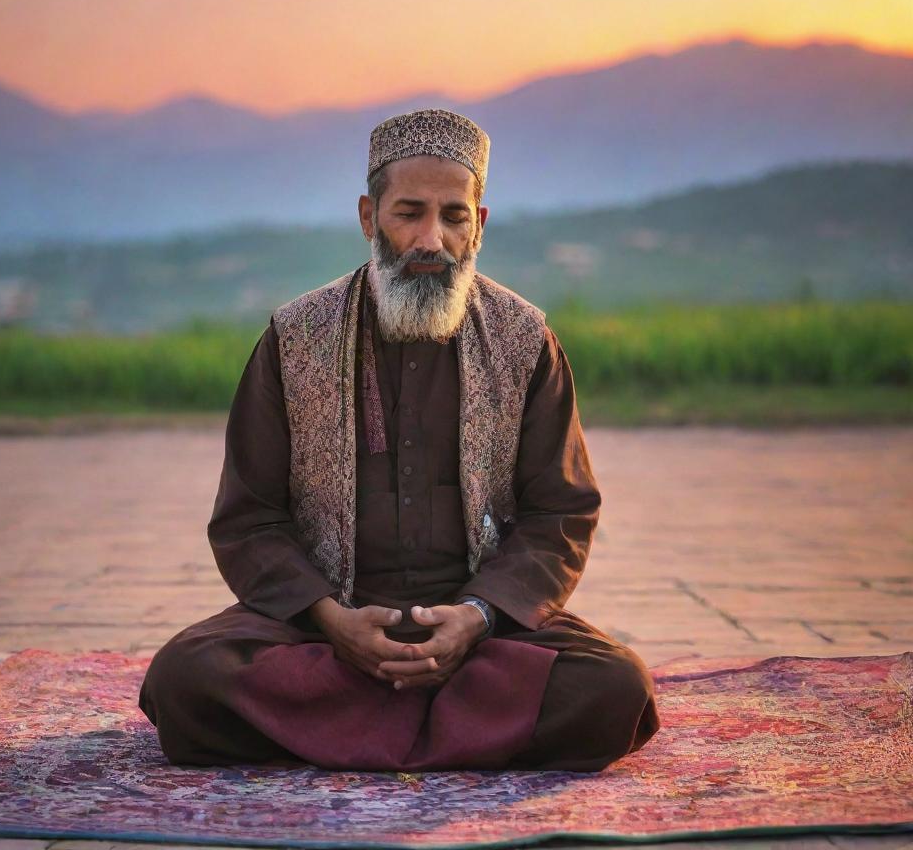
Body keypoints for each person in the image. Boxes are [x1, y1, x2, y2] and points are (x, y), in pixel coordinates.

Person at [138, 108, 660, 771]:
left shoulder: (526, 340)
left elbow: (561, 514)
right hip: (324, 627)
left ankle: (345, 730)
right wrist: (332, 620)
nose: (430, 240)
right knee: (185, 680)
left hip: (481, 631)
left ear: (480, 224)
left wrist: (474, 617)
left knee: (614, 689)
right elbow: (251, 519)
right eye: (408, 212)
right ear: (367, 216)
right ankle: (462, 731)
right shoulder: (295, 337)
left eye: (453, 216)